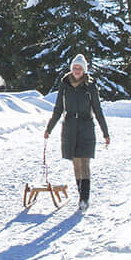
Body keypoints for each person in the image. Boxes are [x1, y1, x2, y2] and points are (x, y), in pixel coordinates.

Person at [44, 55, 110, 206]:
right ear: (71, 69)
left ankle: (84, 198)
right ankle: (81, 194)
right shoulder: (65, 84)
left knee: (84, 161)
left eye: (80, 68)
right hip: (70, 127)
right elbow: (58, 108)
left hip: (86, 126)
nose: (77, 70)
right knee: (76, 163)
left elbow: (98, 110)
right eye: (75, 68)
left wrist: (105, 133)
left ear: (84, 70)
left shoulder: (90, 86)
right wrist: (49, 128)